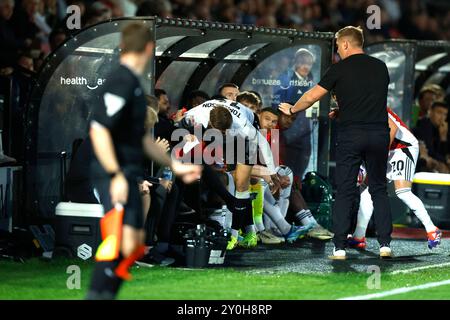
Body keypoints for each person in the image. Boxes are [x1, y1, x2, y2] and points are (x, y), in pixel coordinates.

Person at [86, 22, 201, 300]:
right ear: (149, 48)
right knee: (119, 242)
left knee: (134, 244)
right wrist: (114, 175)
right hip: (113, 172)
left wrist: (176, 166)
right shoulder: (120, 82)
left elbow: (144, 140)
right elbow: (99, 130)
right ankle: (97, 295)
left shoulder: (134, 86)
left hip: (129, 171)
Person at [279, 26, 393, 260]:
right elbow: (368, 98)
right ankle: (385, 245)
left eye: (338, 46)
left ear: (345, 44)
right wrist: (344, 110)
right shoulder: (381, 67)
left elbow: (311, 96)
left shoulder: (339, 68)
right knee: (379, 189)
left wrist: (292, 108)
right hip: (379, 134)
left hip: (352, 134)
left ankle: (339, 247)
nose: (337, 51)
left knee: (345, 191)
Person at [178, 98, 280, 249]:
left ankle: (234, 235)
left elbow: (263, 144)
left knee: (241, 184)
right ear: (211, 124)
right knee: (195, 159)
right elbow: (179, 124)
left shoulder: (243, 125)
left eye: (225, 131)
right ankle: (250, 231)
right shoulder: (196, 116)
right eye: (221, 132)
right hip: (213, 127)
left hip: (242, 136)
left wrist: (272, 172)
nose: (224, 134)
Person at [348, 107, 442, 250]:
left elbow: (393, 127)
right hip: (385, 148)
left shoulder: (371, 103)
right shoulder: (359, 104)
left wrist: (379, 155)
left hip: (403, 147)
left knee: (402, 192)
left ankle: (432, 230)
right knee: (366, 188)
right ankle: (359, 236)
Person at [414, 101, 449, 173]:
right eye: (439, 113)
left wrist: (443, 138)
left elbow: (443, 153)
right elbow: (430, 151)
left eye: (445, 114)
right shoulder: (424, 124)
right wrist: (445, 161)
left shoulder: (442, 129)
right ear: (430, 112)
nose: (442, 117)